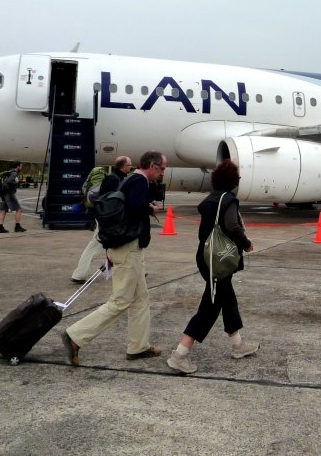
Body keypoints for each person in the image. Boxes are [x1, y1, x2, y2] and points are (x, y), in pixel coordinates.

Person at [62, 151, 167, 366]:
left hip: (125, 248)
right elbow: (134, 209)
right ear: (153, 166)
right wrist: (148, 208)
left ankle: (138, 346)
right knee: (121, 301)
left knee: (141, 298)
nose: (162, 173)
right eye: (162, 169)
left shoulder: (130, 180)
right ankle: (75, 335)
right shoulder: (139, 182)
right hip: (128, 249)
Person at [167, 159, 259, 375]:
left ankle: (238, 344)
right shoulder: (228, 200)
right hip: (218, 261)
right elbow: (233, 226)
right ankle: (179, 354)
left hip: (207, 257)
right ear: (233, 180)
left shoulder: (211, 199)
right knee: (210, 307)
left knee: (227, 299)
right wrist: (246, 243)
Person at [70, 155, 132, 284]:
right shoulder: (113, 180)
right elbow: (108, 201)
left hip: (107, 218)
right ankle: (79, 274)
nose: (131, 167)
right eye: (129, 165)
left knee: (118, 245)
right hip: (107, 219)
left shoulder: (116, 178)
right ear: (123, 166)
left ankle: (129, 271)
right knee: (95, 245)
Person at [0, 161, 26, 233]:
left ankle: (0, 227)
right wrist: (16, 182)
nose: (21, 168)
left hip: (3, 194)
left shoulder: (9, 172)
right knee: (19, 209)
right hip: (9, 194)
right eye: (21, 166)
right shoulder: (14, 173)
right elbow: (9, 181)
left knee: (3, 210)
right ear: (17, 166)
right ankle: (17, 227)